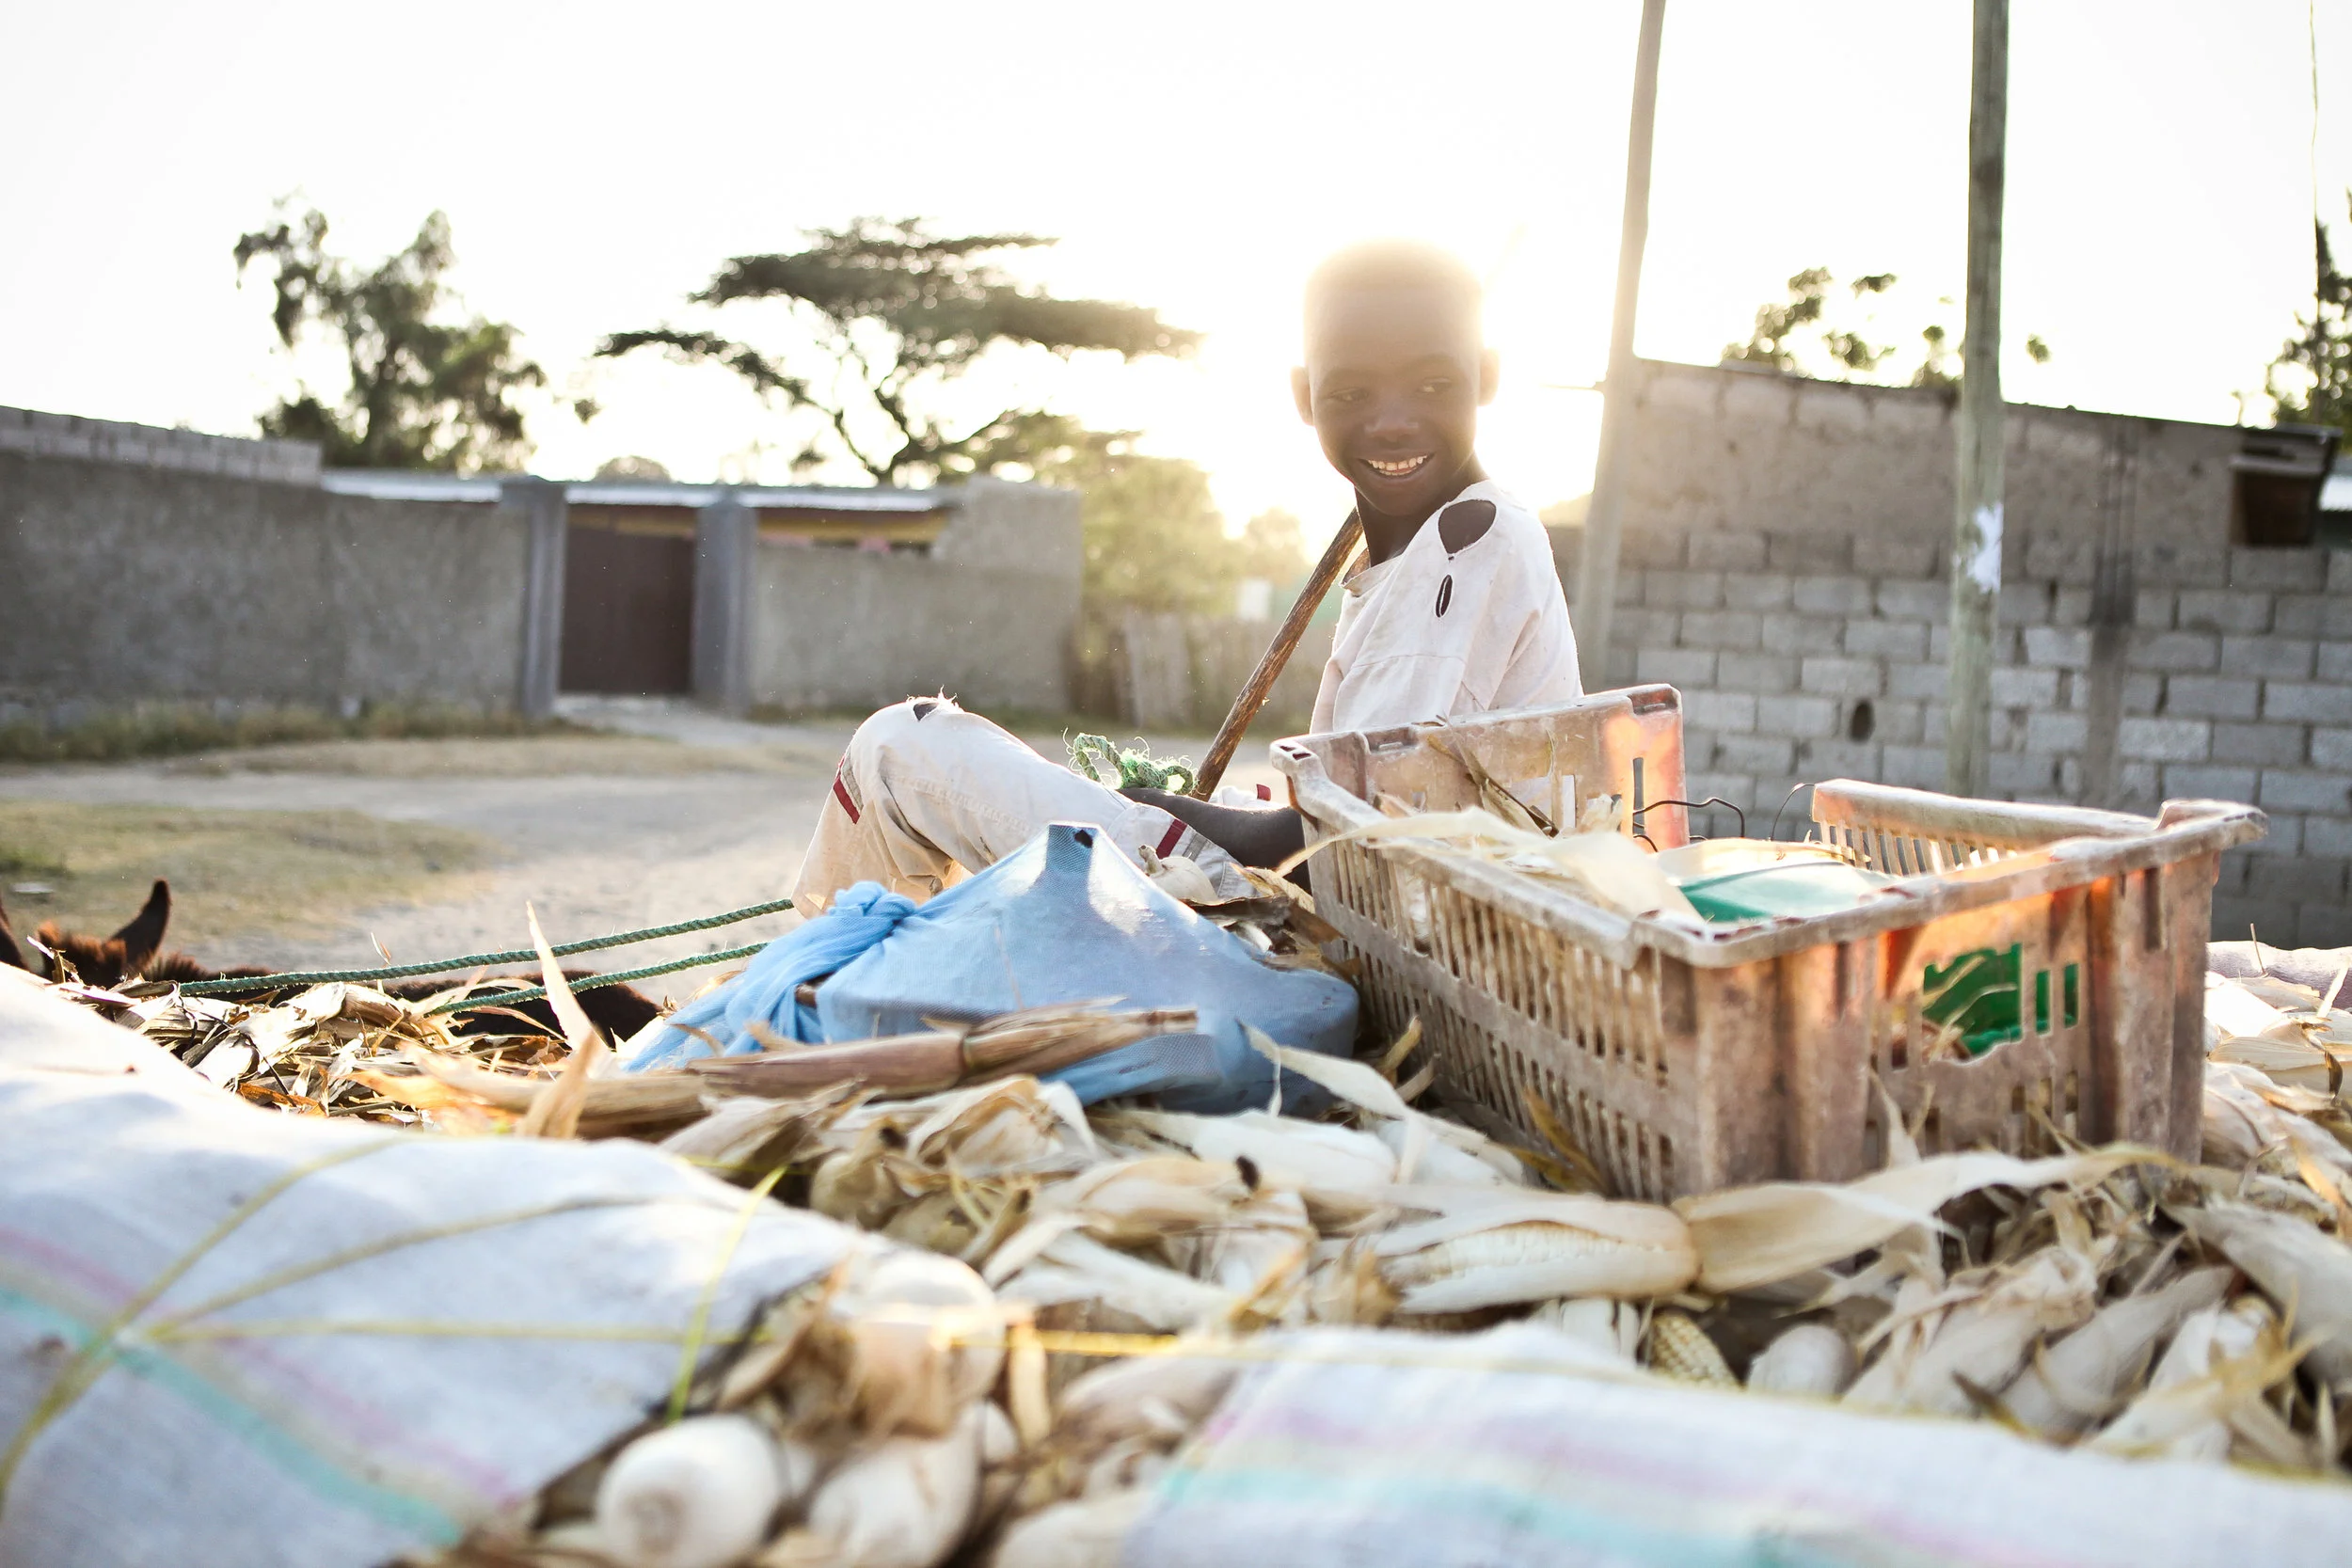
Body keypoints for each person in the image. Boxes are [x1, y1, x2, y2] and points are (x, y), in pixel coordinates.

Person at [790, 239, 1582, 913]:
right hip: (1328, 906)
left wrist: (1164, 810)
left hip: (1310, 934)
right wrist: (1196, 813)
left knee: (902, 745)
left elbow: (1342, 837)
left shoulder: (1466, 537)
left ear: (1488, 376)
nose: (1394, 420)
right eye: (1352, 392)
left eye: (1434, 386)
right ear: (1306, 398)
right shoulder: (1419, 547)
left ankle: (811, 990)